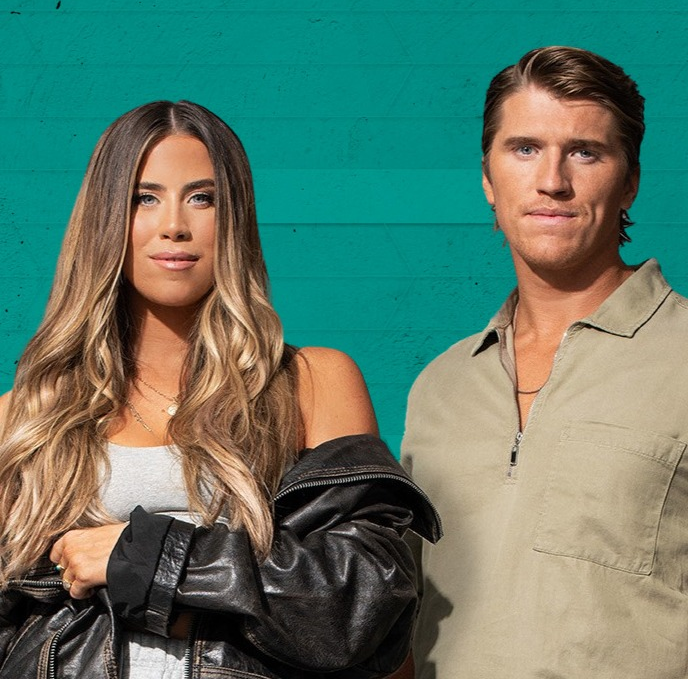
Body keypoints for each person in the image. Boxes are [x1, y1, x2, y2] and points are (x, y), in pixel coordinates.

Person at [0, 100, 441, 679]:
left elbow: (362, 603)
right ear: (105, 219)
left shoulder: (309, 382)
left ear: (235, 219)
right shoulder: (26, 418)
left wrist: (149, 560)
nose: (174, 225)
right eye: (144, 198)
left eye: (202, 198)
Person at [401, 46, 688, 678]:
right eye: (525, 148)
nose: (552, 180)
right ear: (488, 178)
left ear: (631, 181)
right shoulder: (439, 387)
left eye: (585, 152)